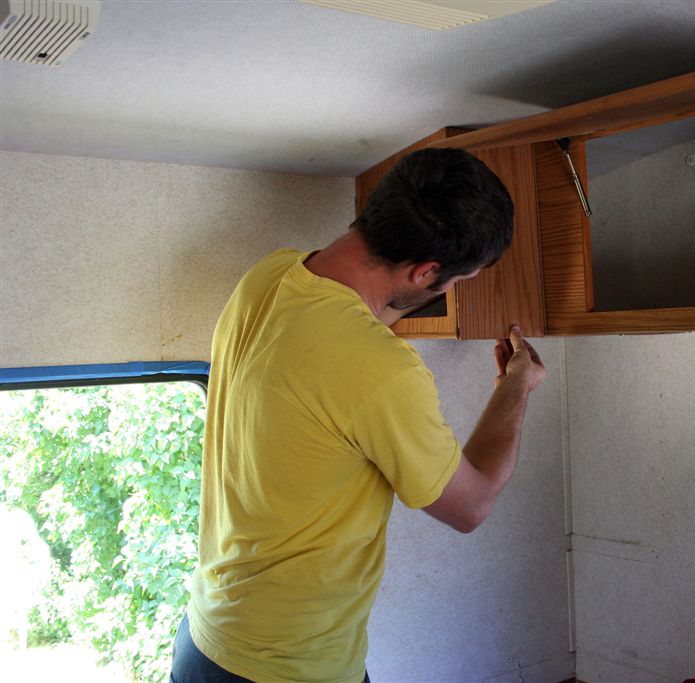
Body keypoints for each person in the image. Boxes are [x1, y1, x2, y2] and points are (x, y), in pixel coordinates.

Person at [169, 148, 547, 683]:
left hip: (207, 639)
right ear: (426, 271)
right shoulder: (382, 369)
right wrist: (518, 386)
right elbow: (472, 504)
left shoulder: (271, 274)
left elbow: (355, 326)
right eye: (458, 280)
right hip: (290, 667)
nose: (453, 291)